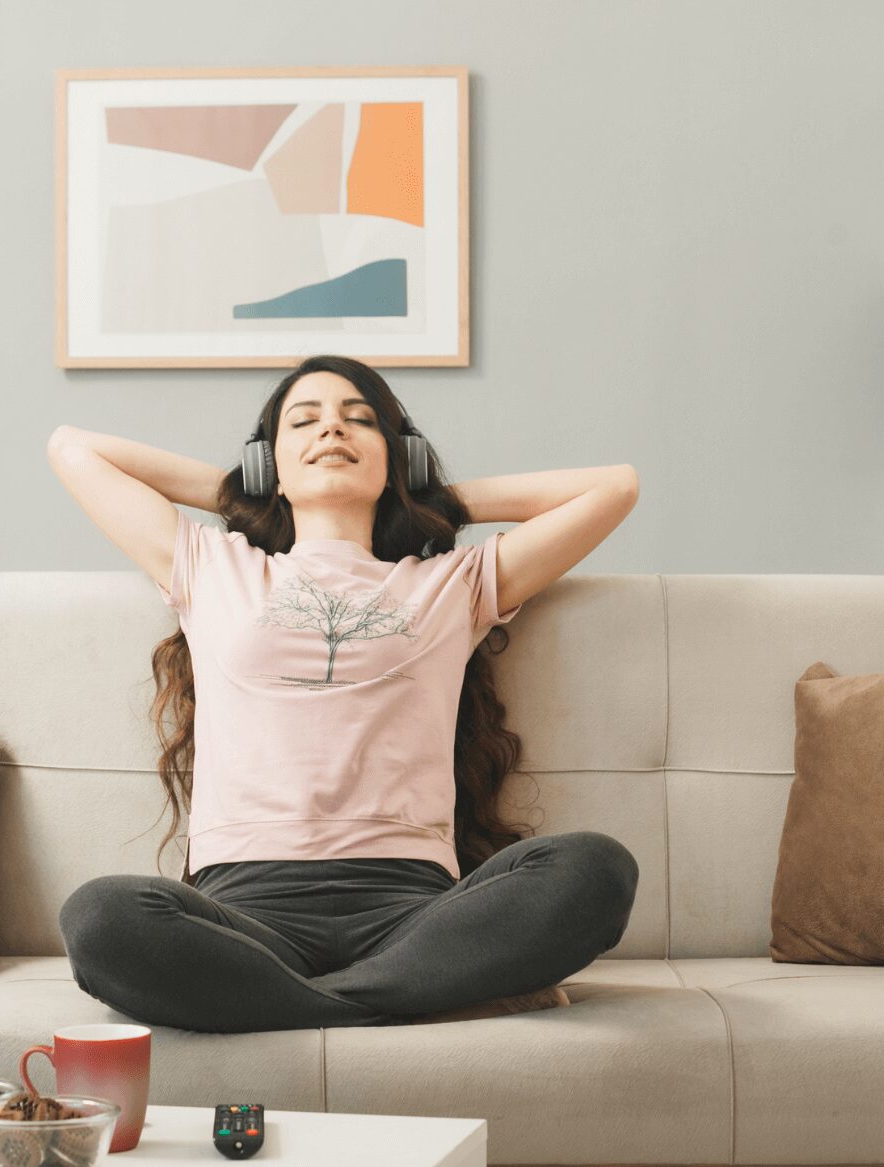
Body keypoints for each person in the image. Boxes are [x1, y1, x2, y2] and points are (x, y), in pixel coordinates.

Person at [45, 354, 641, 1033]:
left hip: (413, 912)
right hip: (245, 912)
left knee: (596, 870)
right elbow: (73, 448)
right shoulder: (211, 567)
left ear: (399, 458)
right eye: (305, 422)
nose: (332, 430)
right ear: (271, 462)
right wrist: (250, 491)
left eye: (359, 421)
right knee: (99, 919)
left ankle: (301, 1003)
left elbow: (615, 488)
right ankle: (418, 997)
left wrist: (430, 494)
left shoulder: (452, 584)